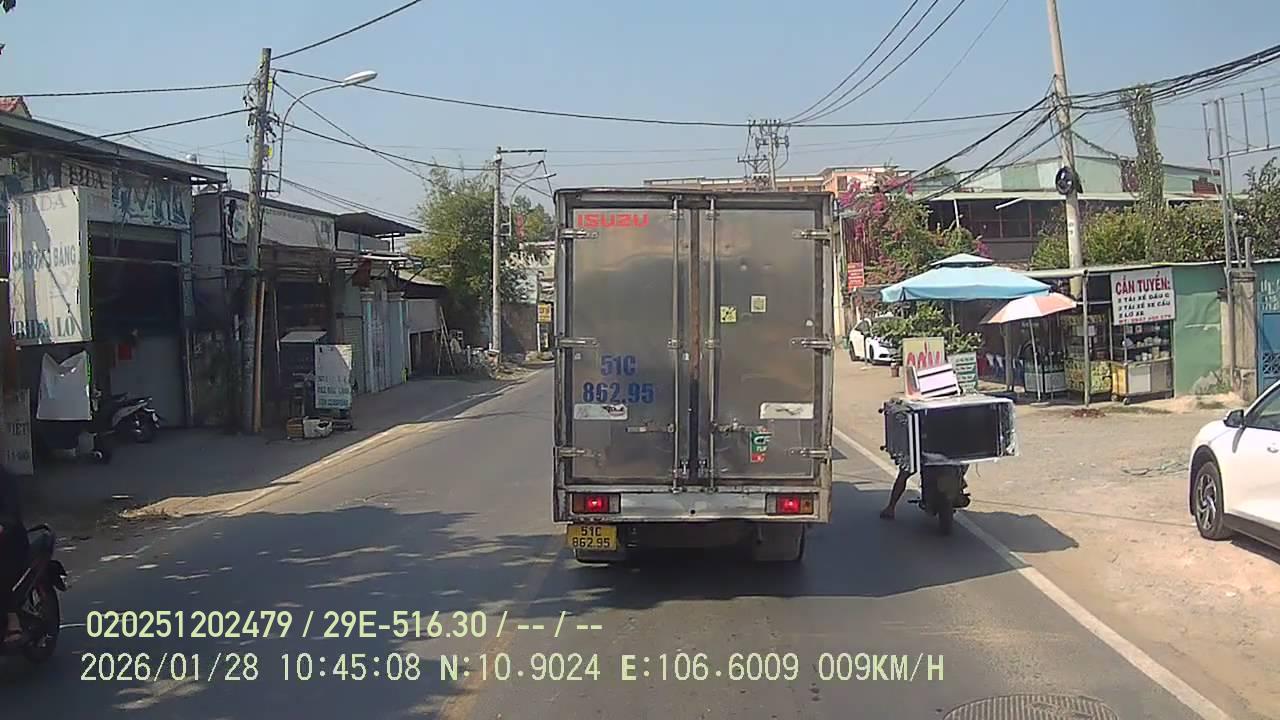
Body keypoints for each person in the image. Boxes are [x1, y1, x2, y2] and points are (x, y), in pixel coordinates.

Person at [0, 465, 28, 643]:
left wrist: (3, 525)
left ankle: (12, 618)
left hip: (10, 541)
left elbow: (11, 512)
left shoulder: (4, 479)